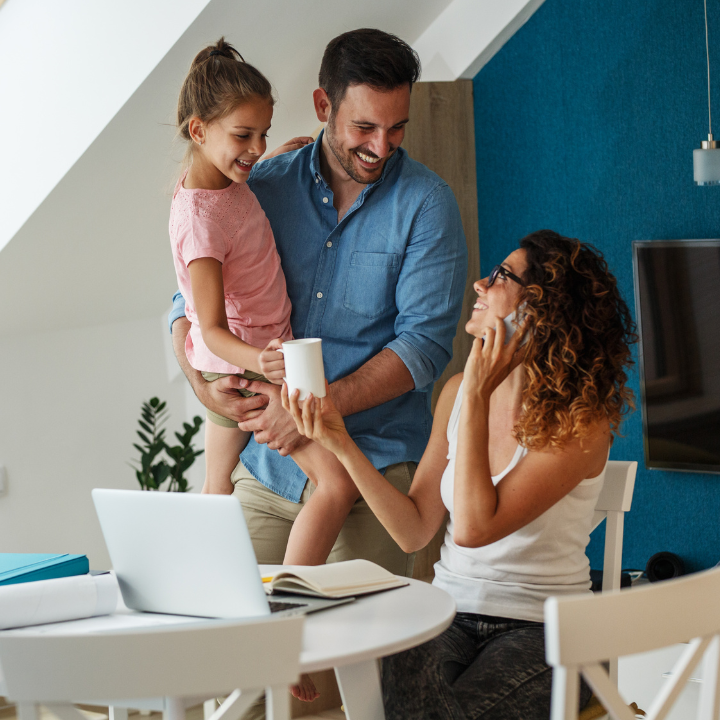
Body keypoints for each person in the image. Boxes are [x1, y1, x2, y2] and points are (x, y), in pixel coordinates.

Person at [283, 230, 637, 719]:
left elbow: (472, 529)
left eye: (500, 277)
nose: (479, 284)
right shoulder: (455, 393)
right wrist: (339, 441)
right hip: (447, 614)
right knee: (387, 667)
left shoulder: (580, 421)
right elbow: (414, 531)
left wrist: (476, 390)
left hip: (547, 633)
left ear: (540, 307)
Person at [170, 29, 467, 581]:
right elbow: (187, 303)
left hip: (373, 463)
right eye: (364, 127)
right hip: (267, 465)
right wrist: (202, 383)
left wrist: (312, 409)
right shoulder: (260, 185)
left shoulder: (427, 206)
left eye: (396, 127)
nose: (382, 146)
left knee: (338, 652)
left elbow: (423, 348)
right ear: (322, 105)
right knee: (232, 635)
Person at [169, 38, 361, 582]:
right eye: (242, 136)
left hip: (242, 359)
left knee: (215, 487)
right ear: (199, 130)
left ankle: (203, 590)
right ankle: (285, 603)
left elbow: (235, 207)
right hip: (241, 363)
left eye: (262, 134)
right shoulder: (200, 224)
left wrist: (270, 160)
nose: (254, 147)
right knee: (337, 484)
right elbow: (207, 326)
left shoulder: (224, 183)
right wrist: (261, 363)